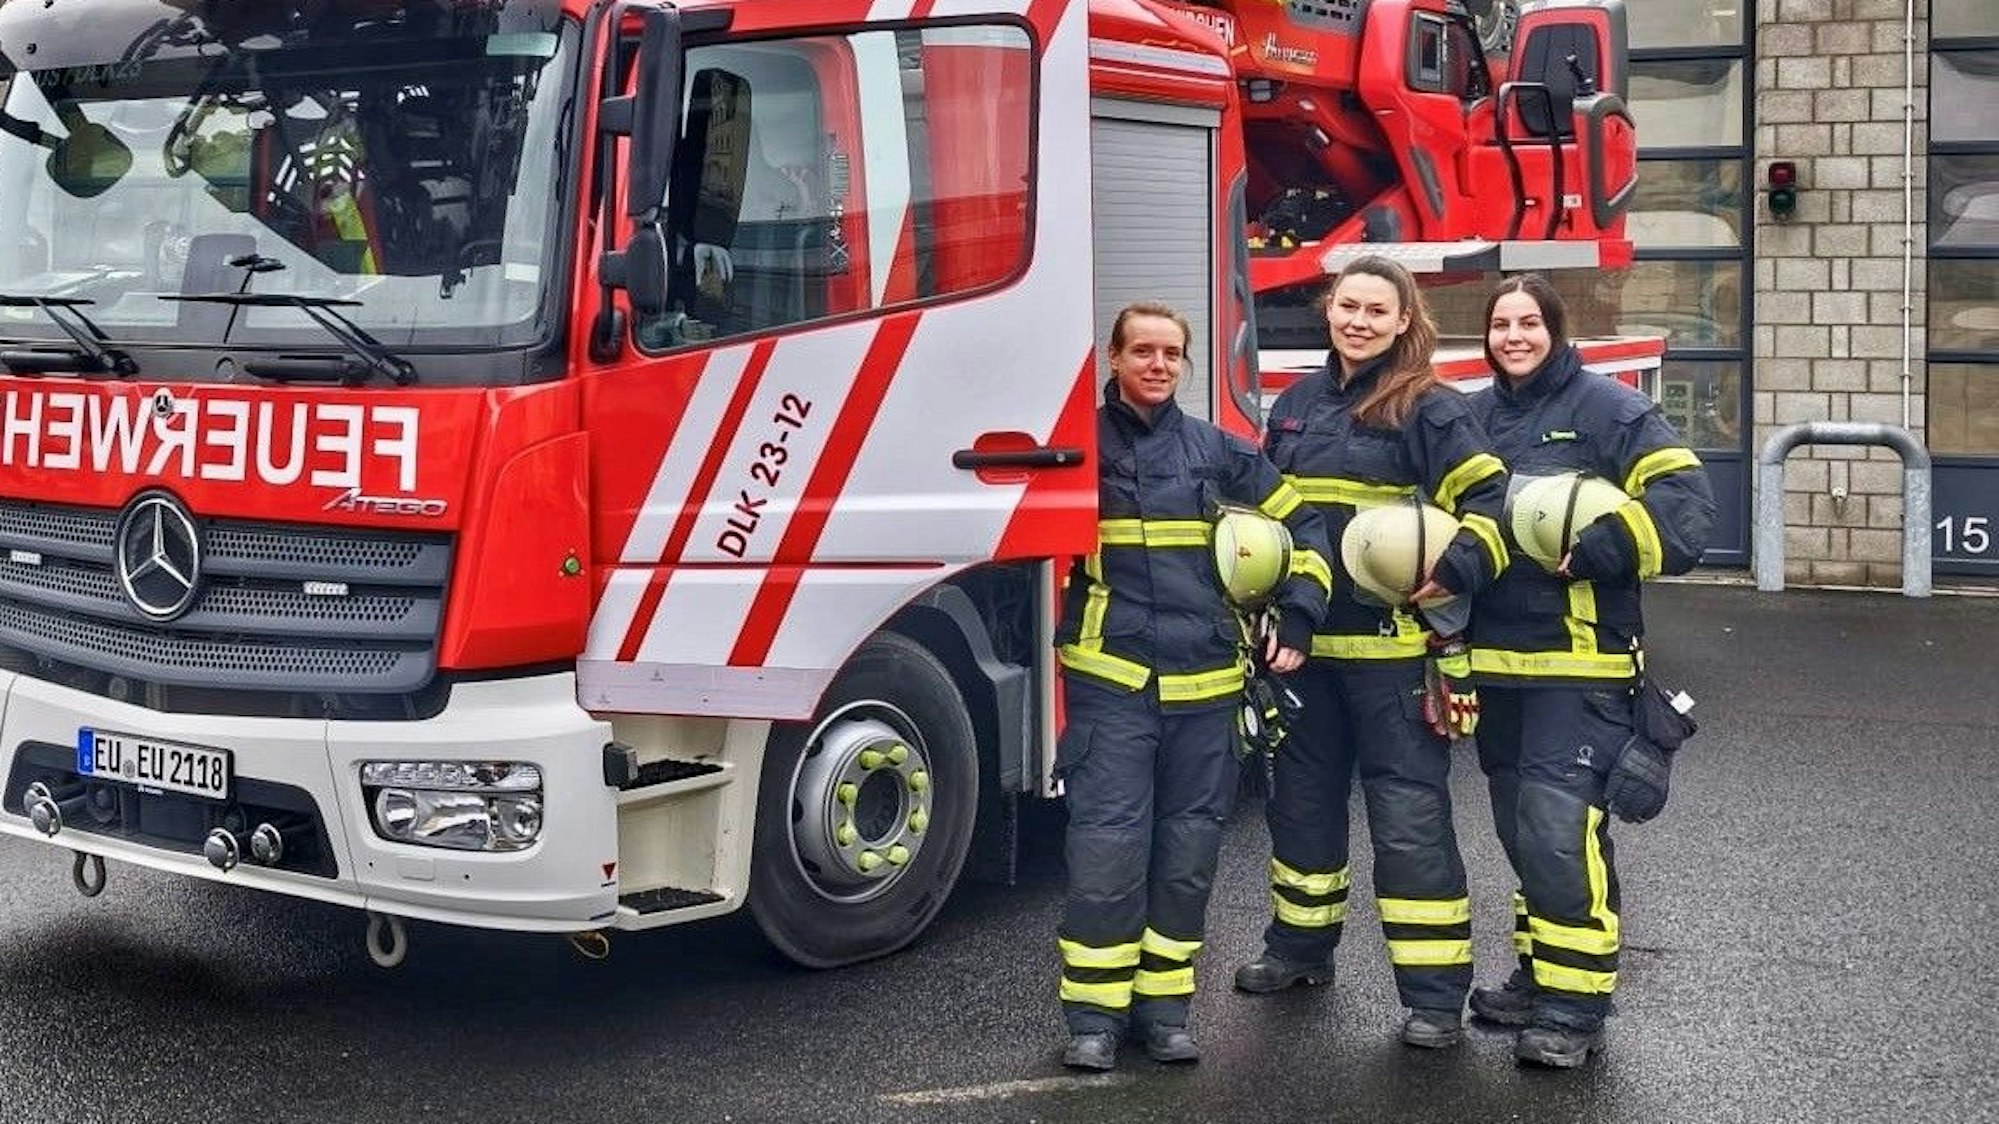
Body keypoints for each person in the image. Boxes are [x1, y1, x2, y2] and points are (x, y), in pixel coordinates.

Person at [1235, 255, 1511, 1050]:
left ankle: (1431, 997)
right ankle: (1297, 950)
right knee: (1300, 806)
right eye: (1347, 305)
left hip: (1394, 657)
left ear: (1401, 322)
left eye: (1375, 310)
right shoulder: (1294, 404)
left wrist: (1454, 567)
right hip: (1305, 653)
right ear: (1330, 310)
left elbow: (1488, 501)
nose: (1358, 321)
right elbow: (1265, 513)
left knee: (1409, 822)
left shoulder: (1428, 407)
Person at [1054, 301, 1332, 1072]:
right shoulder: (1075, 448)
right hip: (1114, 686)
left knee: (1185, 856)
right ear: (1112, 359)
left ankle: (1165, 1012)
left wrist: (1299, 617)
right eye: (1140, 350)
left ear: (1184, 363)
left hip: (1207, 691)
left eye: (1171, 353)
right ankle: (1093, 1019)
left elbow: (1306, 530)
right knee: (1106, 851)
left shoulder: (1218, 451)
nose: (1156, 364)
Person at [1465, 273, 1715, 1067]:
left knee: (1556, 828)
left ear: (1555, 330)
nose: (1513, 336)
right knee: (1520, 829)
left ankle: (1574, 1007)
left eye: (1528, 323)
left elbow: (1686, 506)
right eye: (1500, 323)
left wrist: (1614, 541)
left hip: (1580, 664)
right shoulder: (1471, 416)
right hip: (1496, 666)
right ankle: (1541, 973)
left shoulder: (1607, 408)